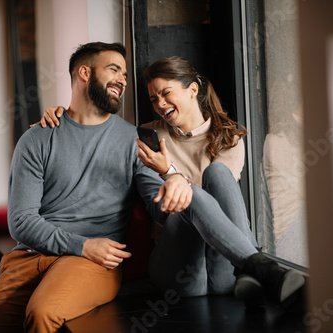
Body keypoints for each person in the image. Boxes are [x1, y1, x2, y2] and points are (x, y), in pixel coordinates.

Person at [37, 56, 305, 308]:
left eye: (166, 93)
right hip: (180, 269)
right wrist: (63, 114)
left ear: (192, 89)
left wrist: (171, 172)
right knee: (190, 194)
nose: (160, 103)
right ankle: (261, 269)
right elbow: (165, 208)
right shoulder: (148, 135)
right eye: (154, 99)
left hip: (223, 268)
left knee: (218, 174)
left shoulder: (230, 138)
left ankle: (249, 267)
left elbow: (223, 206)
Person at [0, 42, 193, 333]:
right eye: (114, 70)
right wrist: (80, 244)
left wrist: (172, 178)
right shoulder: (37, 138)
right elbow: (21, 222)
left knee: (42, 313)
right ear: (84, 72)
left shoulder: (135, 140)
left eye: (125, 75)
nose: (123, 81)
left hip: (93, 262)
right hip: (29, 259)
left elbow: (161, 209)